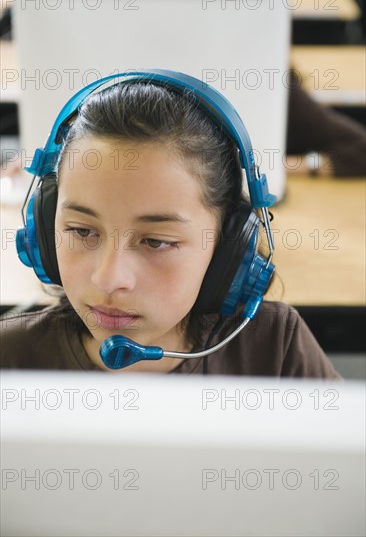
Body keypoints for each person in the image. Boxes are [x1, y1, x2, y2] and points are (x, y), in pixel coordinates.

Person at [0, 70, 340, 378]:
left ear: (227, 249)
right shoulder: (10, 359)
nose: (109, 278)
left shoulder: (275, 348)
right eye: (82, 231)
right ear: (44, 230)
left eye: (156, 241)